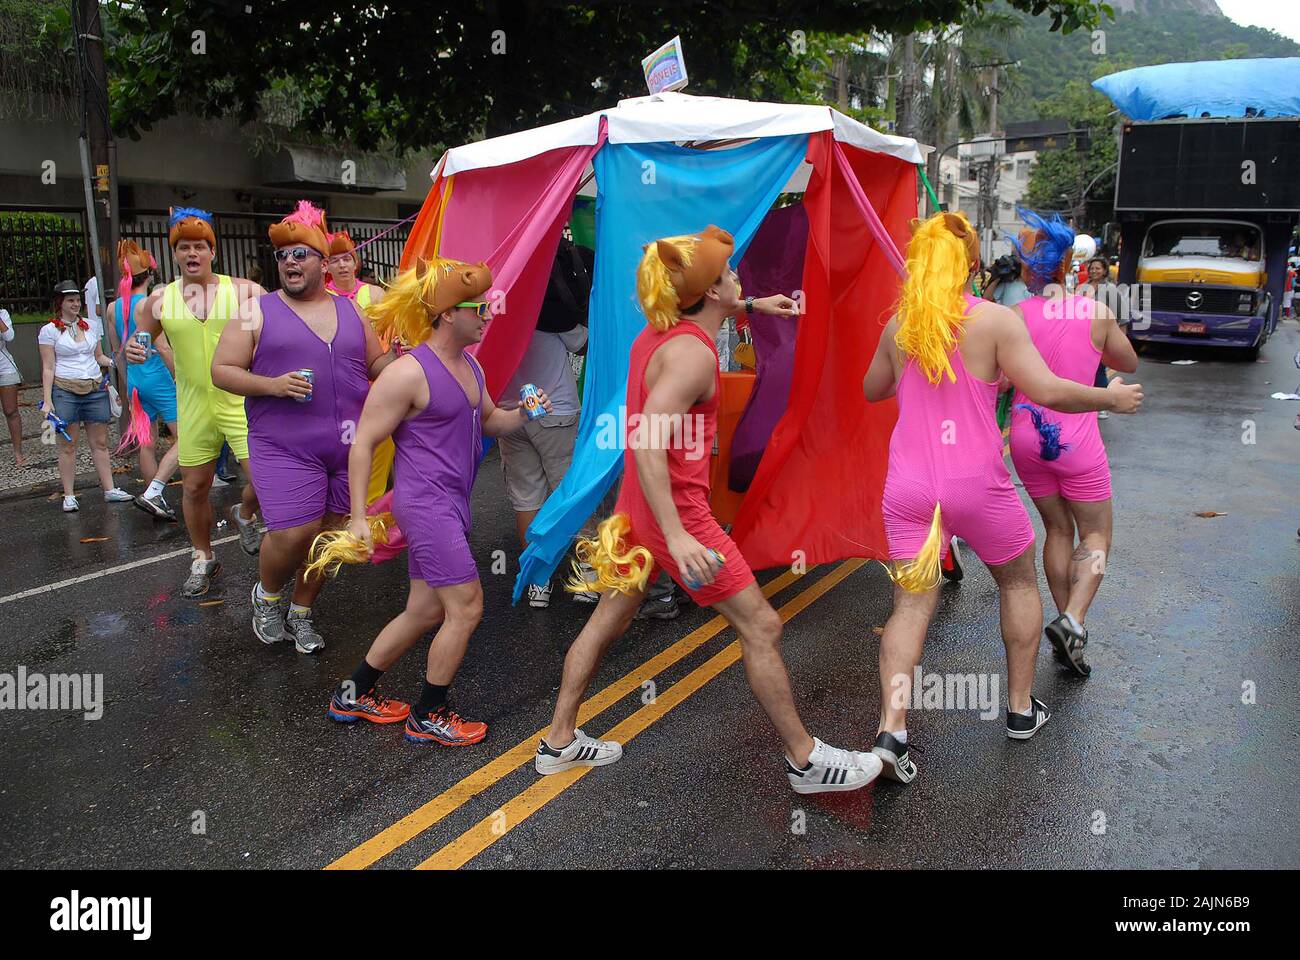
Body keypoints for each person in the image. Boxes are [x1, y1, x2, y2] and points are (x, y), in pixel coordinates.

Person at [534, 226, 882, 795]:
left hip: (638, 508)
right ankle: (805, 761)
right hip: (677, 515)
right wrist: (678, 534)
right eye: (729, 274)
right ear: (711, 291)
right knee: (762, 625)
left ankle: (558, 741)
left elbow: (707, 307)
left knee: (608, 619)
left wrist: (752, 305)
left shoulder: (662, 330)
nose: (738, 277)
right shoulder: (692, 357)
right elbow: (647, 439)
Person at [862, 212, 1143, 784]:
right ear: (971, 264)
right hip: (976, 483)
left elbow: (872, 390)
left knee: (910, 606)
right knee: (1016, 583)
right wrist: (1109, 400)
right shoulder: (993, 320)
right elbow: (1048, 391)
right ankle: (1018, 709)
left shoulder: (901, 326)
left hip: (910, 486)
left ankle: (892, 731)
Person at [309, 256, 552, 745]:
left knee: (424, 611)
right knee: (467, 606)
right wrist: (357, 517)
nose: (488, 313)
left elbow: (491, 422)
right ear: (447, 313)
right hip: (425, 507)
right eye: (477, 307)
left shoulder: (472, 366)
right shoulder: (407, 374)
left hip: (452, 504)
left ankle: (353, 693)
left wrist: (526, 413)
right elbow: (363, 442)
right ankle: (429, 713)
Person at [212, 202, 397, 654]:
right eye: (283, 255)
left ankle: (301, 610)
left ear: (323, 263)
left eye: (300, 254)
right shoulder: (256, 311)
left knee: (331, 537)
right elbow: (222, 370)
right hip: (283, 445)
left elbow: (376, 364)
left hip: (349, 448)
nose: (289, 262)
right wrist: (272, 385)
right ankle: (267, 597)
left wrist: (403, 358)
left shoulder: (352, 312)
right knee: (295, 531)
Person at [1007, 212, 1139, 678]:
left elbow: (1001, 380)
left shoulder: (1014, 317)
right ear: (1069, 264)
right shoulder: (1095, 311)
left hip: (1026, 436)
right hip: (1077, 439)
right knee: (1097, 535)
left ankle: (1068, 631)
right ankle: (1073, 619)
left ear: (1028, 268)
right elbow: (1129, 362)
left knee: (1058, 531)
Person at [126, 208, 266, 597]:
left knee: (264, 481)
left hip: (241, 402)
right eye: (184, 247)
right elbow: (139, 340)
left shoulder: (246, 292)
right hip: (193, 406)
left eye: (200, 246)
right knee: (194, 488)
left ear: (212, 252)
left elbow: (278, 333)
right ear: (174, 254)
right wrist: (134, 349)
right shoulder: (159, 300)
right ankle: (203, 557)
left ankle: (245, 512)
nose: (193, 253)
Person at [501, 235, 591, 607]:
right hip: (555, 411)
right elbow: (583, 344)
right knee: (570, 493)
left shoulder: (498, 315)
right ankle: (586, 577)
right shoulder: (552, 313)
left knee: (527, 498)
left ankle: (537, 582)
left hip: (510, 413)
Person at [38, 280, 135, 512]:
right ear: (60, 303)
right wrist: (48, 400)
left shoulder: (90, 325)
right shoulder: (49, 330)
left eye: (78, 300)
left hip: (94, 388)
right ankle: (69, 495)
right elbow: (48, 367)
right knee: (68, 445)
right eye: (70, 300)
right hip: (65, 389)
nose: (76, 304)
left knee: (100, 443)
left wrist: (116, 362)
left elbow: (98, 356)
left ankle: (109, 489)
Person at [109, 240, 179, 521]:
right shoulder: (149, 305)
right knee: (187, 438)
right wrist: (179, 377)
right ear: (150, 275)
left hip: (135, 381)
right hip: (158, 378)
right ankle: (158, 494)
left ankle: (154, 498)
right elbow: (162, 347)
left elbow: (118, 353)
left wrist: (128, 385)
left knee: (147, 444)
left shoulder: (112, 307)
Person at [325, 229, 393, 505]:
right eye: (335, 260)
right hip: (339, 390)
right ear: (326, 266)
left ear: (356, 262)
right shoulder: (322, 297)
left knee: (380, 452)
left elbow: (390, 336)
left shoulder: (375, 294)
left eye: (347, 258)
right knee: (345, 456)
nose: (342, 265)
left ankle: (374, 513)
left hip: (376, 386)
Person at [0, 305, 24, 468]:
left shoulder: (2, 313)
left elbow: (9, 336)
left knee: (11, 411)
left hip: (5, 367)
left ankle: (18, 452)